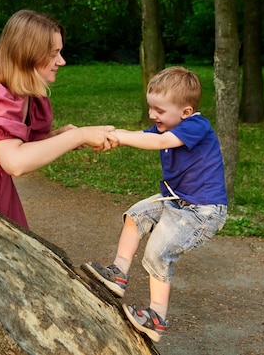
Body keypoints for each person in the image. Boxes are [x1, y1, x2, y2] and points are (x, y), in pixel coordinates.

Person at [0, 9, 118, 229]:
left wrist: (57, 137)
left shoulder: (22, 93)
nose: (62, 61)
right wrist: (78, 136)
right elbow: (15, 162)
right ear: (28, 54)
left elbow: (13, 146)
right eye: (53, 53)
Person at [82, 66, 228, 342]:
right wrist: (108, 135)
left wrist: (121, 137)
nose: (152, 115)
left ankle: (156, 318)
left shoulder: (196, 125)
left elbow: (159, 141)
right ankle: (118, 274)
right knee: (136, 215)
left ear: (185, 111)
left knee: (158, 252)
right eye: (151, 108)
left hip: (202, 211)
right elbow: (144, 134)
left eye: (159, 110)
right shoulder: (168, 125)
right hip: (177, 200)